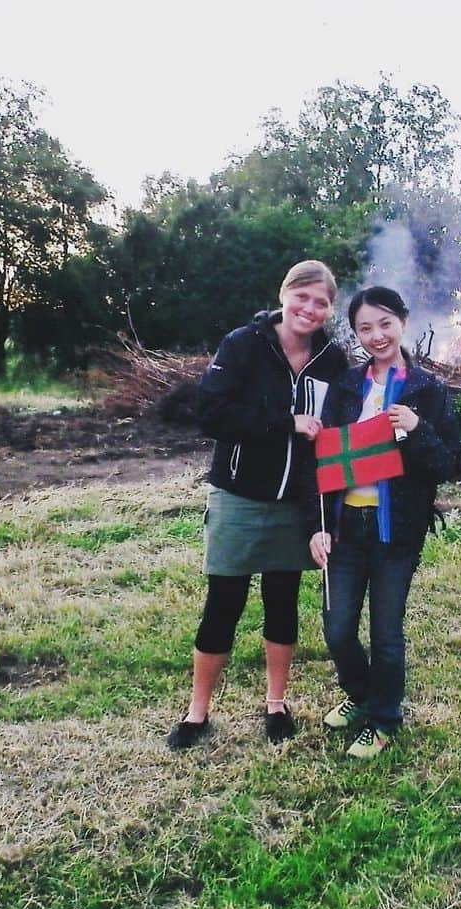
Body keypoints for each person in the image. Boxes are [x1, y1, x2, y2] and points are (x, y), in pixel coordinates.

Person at [167, 260, 349, 749]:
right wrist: (285, 422)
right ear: (284, 293)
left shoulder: (332, 359)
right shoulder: (243, 345)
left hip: (295, 503)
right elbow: (211, 413)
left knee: (283, 604)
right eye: (302, 296)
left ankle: (276, 704)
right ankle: (197, 712)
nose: (309, 309)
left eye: (321, 302)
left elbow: (338, 433)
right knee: (223, 604)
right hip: (238, 496)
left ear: (330, 309)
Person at [306, 285, 461, 759]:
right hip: (345, 528)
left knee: (386, 633)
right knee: (337, 629)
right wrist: (316, 525)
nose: (376, 336)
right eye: (364, 328)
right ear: (355, 335)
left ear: (402, 322)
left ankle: (383, 719)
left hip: (397, 531)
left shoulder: (427, 390)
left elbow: (451, 465)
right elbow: (324, 461)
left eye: (384, 324)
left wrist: (416, 430)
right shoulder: (347, 388)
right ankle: (360, 694)